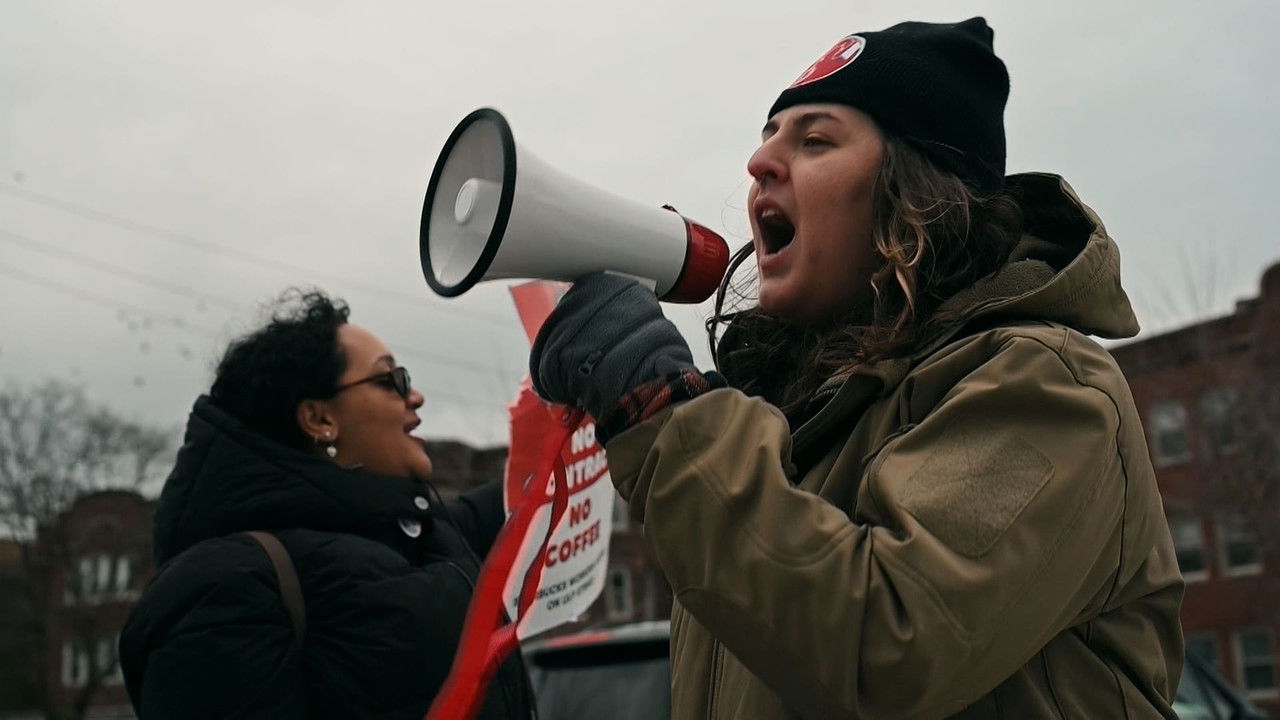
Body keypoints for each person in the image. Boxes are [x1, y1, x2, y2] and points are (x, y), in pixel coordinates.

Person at [529, 17, 1184, 720]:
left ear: (916, 192)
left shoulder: (1046, 385)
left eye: (814, 140)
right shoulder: (792, 430)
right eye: (767, 137)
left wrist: (661, 410)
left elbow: (887, 647)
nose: (759, 162)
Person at [120, 289, 534, 719]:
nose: (415, 397)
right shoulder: (223, 587)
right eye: (390, 380)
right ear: (320, 420)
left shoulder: (424, 539)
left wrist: (571, 389)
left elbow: (526, 496)